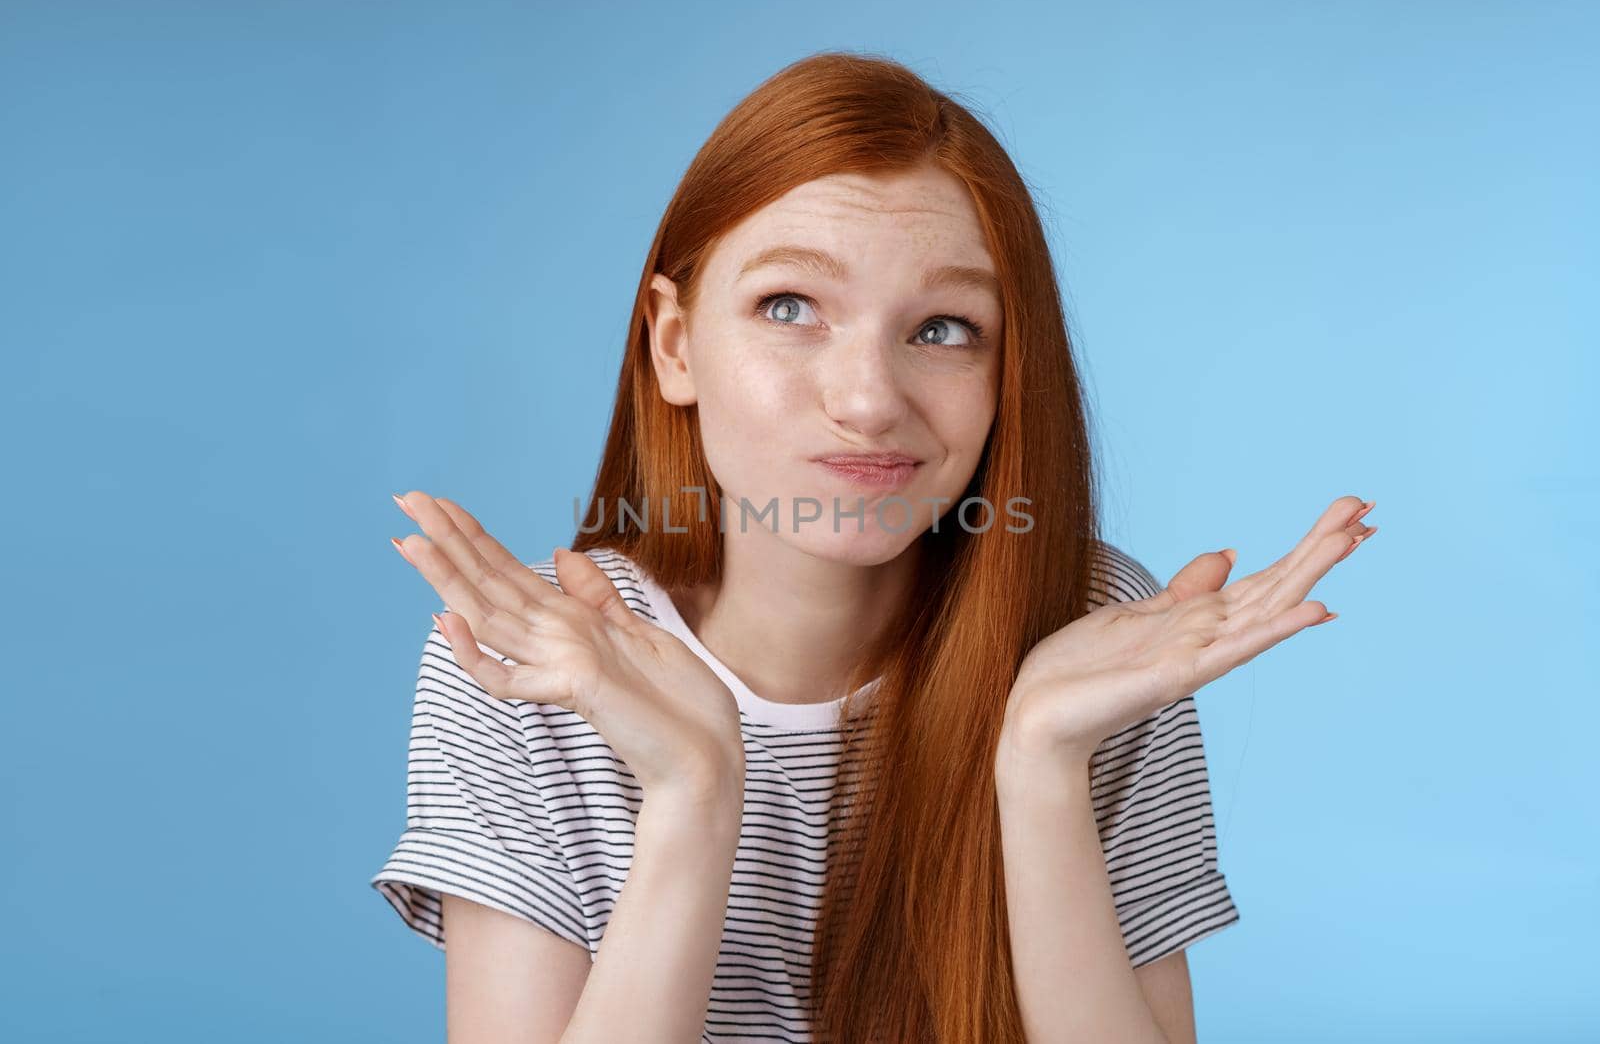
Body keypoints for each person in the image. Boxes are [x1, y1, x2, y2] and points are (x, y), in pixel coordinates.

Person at [371, 51, 1377, 1044]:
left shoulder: (1091, 629)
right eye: (788, 307)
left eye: (942, 327)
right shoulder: (536, 659)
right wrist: (692, 793)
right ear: (674, 345)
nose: (866, 400)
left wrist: (1040, 763)